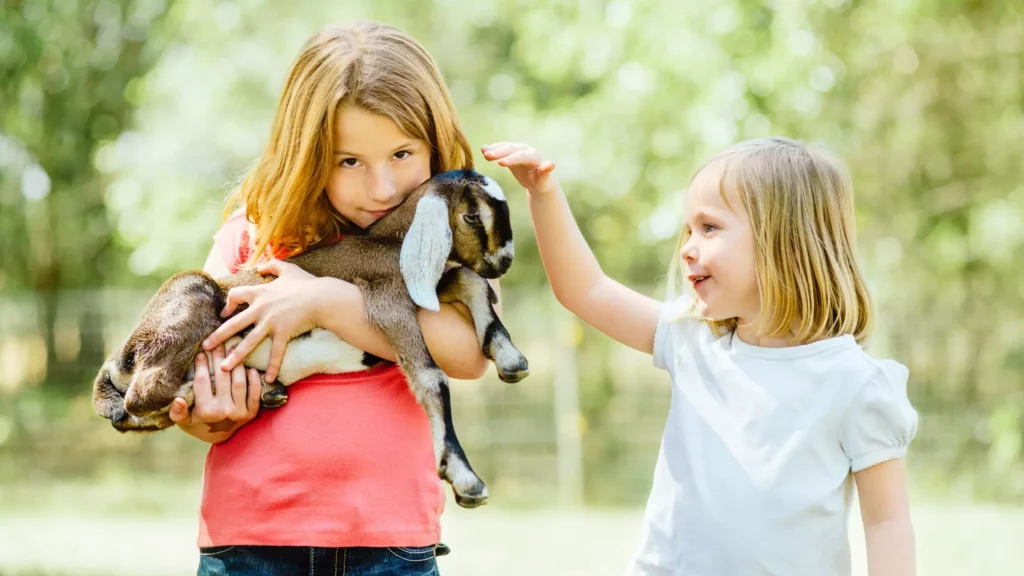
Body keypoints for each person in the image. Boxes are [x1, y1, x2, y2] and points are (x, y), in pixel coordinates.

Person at [483, 137, 919, 575]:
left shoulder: (853, 383)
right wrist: (544, 194)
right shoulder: (691, 340)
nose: (687, 247)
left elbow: (887, 522)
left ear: (782, 240)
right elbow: (586, 291)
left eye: (709, 228)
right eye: (688, 230)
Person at [168, 21, 497, 576]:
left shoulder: (441, 240)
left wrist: (324, 302)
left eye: (401, 153)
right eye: (349, 161)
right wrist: (210, 414)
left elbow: (467, 354)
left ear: (435, 143)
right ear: (307, 153)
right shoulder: (252, 238)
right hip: (252, 544)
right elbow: (199, 398)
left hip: (389, 545)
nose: (382, 188)